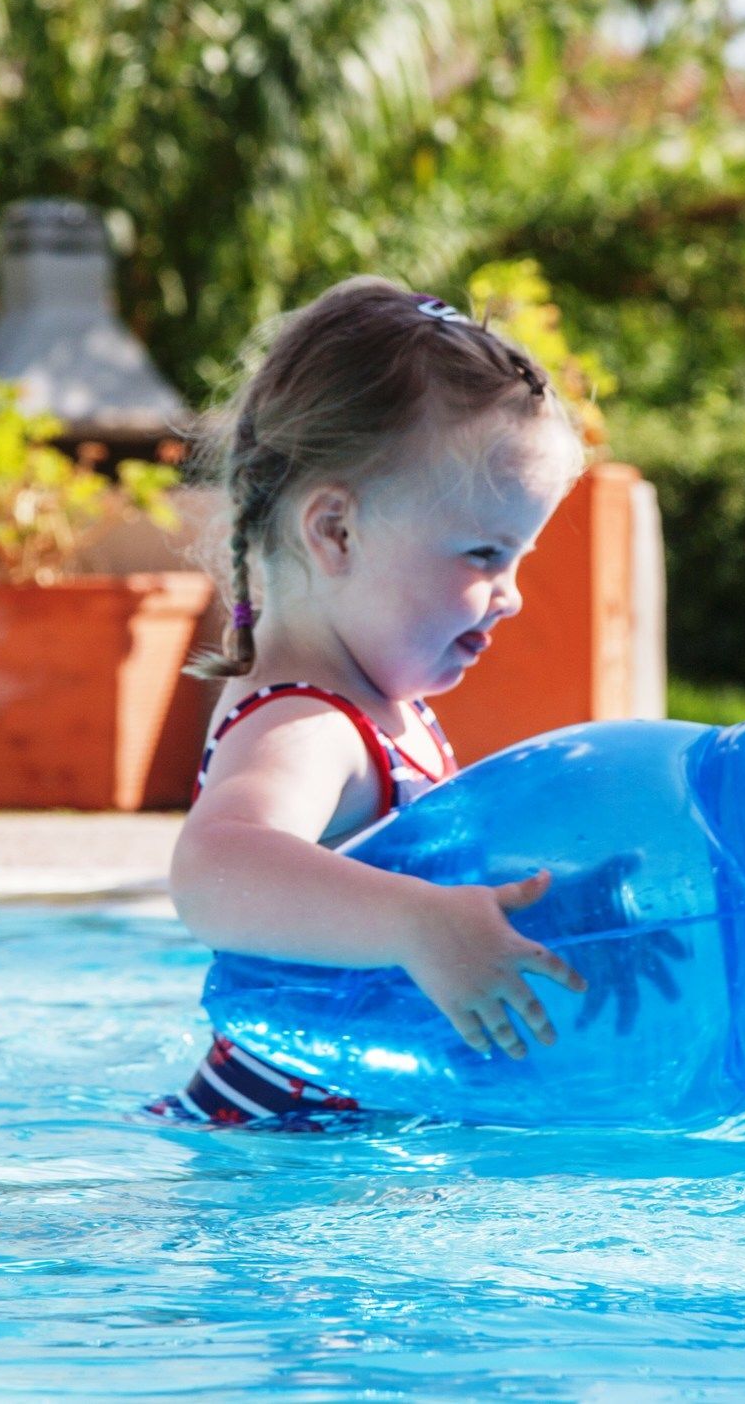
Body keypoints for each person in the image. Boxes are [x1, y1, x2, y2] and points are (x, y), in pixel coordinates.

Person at [155, 276, 590, 1127]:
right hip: (274, 1151)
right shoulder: (307, 724)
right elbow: (212, 871)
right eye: (482, 554)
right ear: (336, 532)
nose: (512, 595)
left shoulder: (379, 712)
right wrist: (416, 924)